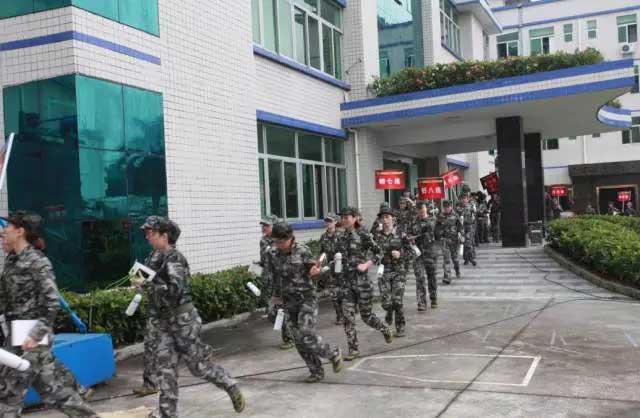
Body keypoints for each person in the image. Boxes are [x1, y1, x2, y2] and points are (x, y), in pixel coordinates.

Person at [136, 216, 244, 417]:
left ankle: (228, 383)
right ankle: (168, 414)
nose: (147, 237)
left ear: (164, 236)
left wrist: (149, 285)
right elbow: (153, 287)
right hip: (163, 323)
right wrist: (141, 283)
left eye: (151, 233)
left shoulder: (175, 259)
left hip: (183, 321)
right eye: (146, 233)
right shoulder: (153, 257)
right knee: (165, 370)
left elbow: (174, 290)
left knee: (198, 366)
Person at [0, 211, 99, 417]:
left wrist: (36, 335)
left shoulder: (37, 262)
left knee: (9, 394)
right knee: (55, 392)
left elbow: (51, 301)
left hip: (32, 336)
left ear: (19, 232)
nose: (3, 233)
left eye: (7, 228)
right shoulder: (11, 260)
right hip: (16, 334)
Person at [265, 223, 343, 383]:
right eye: (276, 241)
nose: (279, 245)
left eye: (282, 241)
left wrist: (316, 272)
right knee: (298, 340)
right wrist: (275, 296)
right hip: (288, 301)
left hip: (306, 298)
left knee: (307, 334)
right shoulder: (273, 253)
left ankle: (333, 353)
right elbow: (274, 277)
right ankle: (316, 371)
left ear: (290, 238)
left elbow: (315, 271)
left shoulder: (302, 250)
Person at [335, 207, 394, 361]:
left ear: (355, 218)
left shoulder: (363, 233)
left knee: (366, 316)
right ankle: (353, 349)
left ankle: (384, 328)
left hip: (362, 283)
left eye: (346, 217)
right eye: (342, 217)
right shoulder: (340, 237)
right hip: (346, 284)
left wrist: (367, 264)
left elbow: (379, 252)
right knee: (347, 317)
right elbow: (335, 257)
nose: (343, 220)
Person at [373, 207, 410, 336]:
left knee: (397, 301)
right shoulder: (376, 236)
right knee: (386, 303)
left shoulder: (401, 234)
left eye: (387, 217)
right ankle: (389, 311)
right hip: (384, 271)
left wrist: (401, 254)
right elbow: (371, 252)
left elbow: (413, 251)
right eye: (382, 217)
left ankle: (400, 327)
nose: (385, 220)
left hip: (399, 271)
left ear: (393, 219)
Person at [260, 216, 294, 350]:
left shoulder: (283, 242)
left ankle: (289, 337)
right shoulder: (263, 241)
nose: (264, 228)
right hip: (271, 282)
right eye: (263, 225)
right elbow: (265, 262)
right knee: (272, 312)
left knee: (281, 310)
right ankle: (290, 332)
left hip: (284, 283)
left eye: (267, 225)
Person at [412, 201, 441, 309]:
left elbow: (439, 235)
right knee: (419, 277)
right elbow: (407, 235)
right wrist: (410, 239)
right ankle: (422, 302)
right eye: (419, 209)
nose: (421, 211)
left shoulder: (433, 220)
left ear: (426, 209)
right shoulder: (413, 223)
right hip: (418, 254)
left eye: (423, 208)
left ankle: (433, 298)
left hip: (431, 253)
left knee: (432, 277)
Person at [319, 214, 343, 325]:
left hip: (341, 268)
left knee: (343, 292)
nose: (328, 223)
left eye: (330, 221)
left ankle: (347, 312)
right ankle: (340, 316)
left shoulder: (341, 235)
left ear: (335, 222)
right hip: (329, 269)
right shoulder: (323, 237)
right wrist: (320, 264)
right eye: (326, 221)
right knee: (334, 294)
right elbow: (321, 253)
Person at [439, 200, 463, 283]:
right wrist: (438, 235)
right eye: (445, 207)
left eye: (448, 207)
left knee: (455, 259)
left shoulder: (455, 215)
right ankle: (447, 277)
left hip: (454, 240)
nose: (446, 209)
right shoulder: (440, 216)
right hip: (444, 240)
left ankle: (457, 270)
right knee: (446, 259)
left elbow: (460, 227)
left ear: (451, 207)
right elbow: (437, 227)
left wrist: (462, 235)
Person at [457, 188, 477, 267]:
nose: (463, 200)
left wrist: (474, 210)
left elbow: (475, 213)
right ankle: (466, 259)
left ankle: (471, 258)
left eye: (465, 198)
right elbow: (456, 216)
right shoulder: (458, 207)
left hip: (469, 226)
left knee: (468, 242)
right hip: (461, 227)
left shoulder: (471, 206)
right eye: (462, 199)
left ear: (467, 199)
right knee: (463, 242)